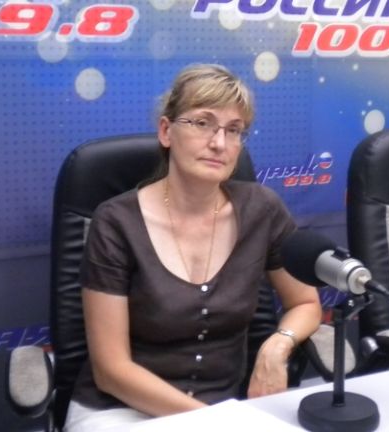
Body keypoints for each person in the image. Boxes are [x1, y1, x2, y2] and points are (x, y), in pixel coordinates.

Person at [65, 64, 322, 431]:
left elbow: (306, 303)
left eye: (234, 130)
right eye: (203, 123)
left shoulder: (262, 209)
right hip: (120, 411)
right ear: (166, 131)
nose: (219, 143)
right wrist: (213, 422)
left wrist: (278, 344)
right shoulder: (115, 222)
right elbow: (111, 371)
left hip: (225, 409)